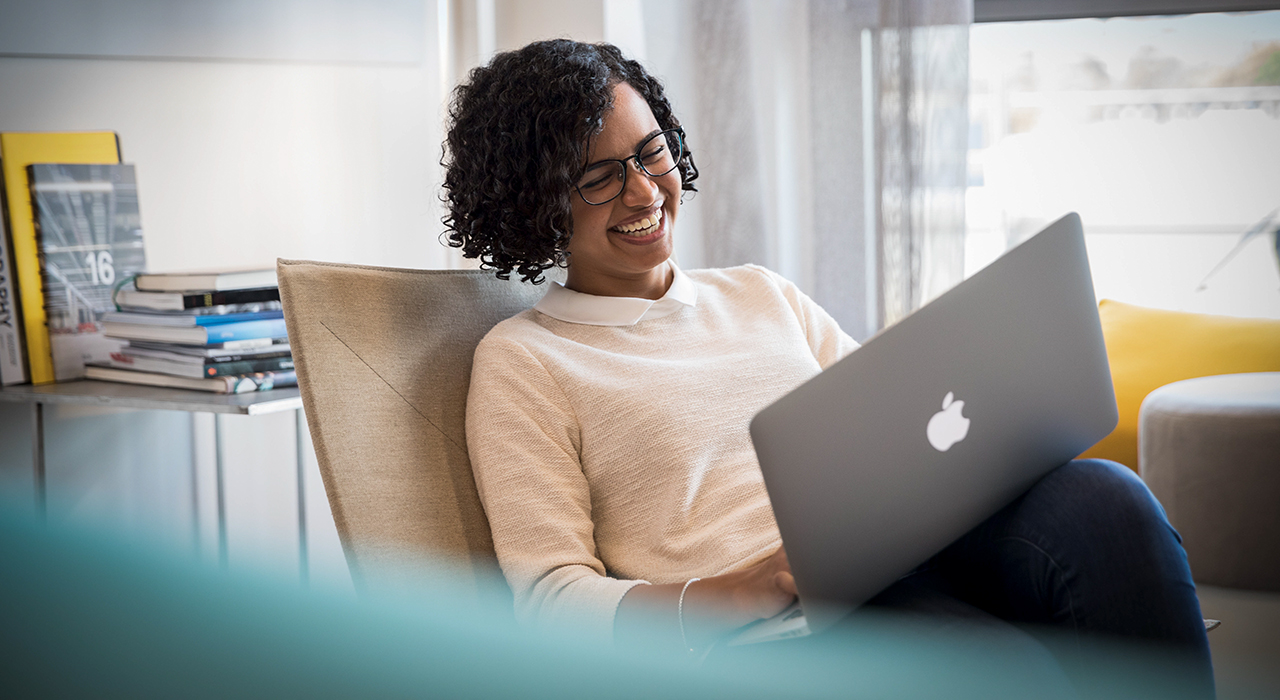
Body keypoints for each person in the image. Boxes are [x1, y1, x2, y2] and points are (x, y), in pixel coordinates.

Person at [445, 39, 1212, 690]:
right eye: (600, 176)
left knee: (1104, 498)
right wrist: (731, 593)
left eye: (651, 153)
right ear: (532, 203)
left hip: (906, 555)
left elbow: (898, 424)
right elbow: (550, 599)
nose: (645, 190)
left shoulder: (759, 294)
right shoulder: (524, 362)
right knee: (1007, 668)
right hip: (782, 631)